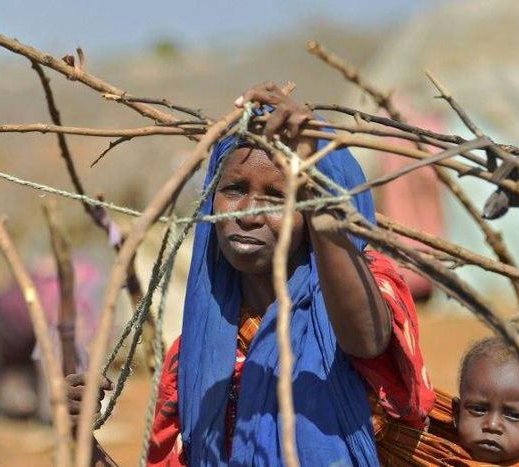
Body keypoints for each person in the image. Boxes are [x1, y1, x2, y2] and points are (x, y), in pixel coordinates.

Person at [68, 82, 434, 466]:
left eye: (278, 196)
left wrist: (325, 209)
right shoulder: (194, 357)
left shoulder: (365, 291)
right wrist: (82, 440)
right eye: (234, 188)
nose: (247, 212)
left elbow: (368, 340)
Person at [452, 337, 519, 465]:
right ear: (457, 413)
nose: (492, 425)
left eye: (513, 415)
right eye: (478, 409)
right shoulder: (431, 455)